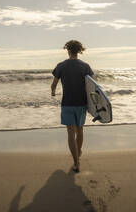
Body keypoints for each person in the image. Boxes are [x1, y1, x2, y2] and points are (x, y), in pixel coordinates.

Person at [51, 40, 94, 173]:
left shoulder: (61, 66)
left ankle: (76, 163)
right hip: (81, 103)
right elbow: (92, 87)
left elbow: (54, 84)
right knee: (80, 130)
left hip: (67, 103)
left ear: (67, 50)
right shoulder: (85, 66)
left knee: (70, 133)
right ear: (79, 50)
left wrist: (53, 92)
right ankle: (78, 152)